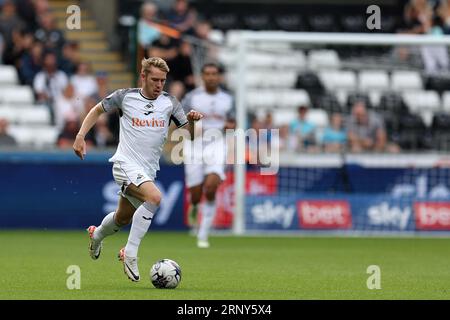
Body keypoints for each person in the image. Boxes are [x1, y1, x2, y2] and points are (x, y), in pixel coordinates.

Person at [73, 57, 202, 282]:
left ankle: (97, 235)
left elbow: (191, 135)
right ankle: (130, 253)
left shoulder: (170, 102)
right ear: (143, 77)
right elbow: (96, 110)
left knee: (122, 219)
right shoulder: (125, 96)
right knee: (155, 197)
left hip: (147, 170)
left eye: (163, 80)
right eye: (154, 79)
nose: (159, 84)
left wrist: (192, 122)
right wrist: (80, 136)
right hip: (124, 163)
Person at [181, 62, 234, 248]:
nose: (211, 77)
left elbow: (233, 123)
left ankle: (203, 233)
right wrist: (192, 126)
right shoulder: (192, 97)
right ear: (202, 76)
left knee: (211, 187)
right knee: (196, 194)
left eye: (214, 73)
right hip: (195, 145)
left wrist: (230, 128)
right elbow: (182, 124)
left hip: (217, 144)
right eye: (208, 74)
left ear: (219, 76)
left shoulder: (228, 99)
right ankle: (195, 206)